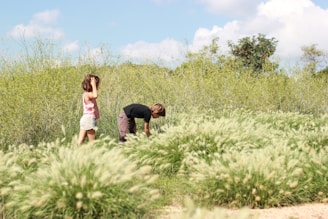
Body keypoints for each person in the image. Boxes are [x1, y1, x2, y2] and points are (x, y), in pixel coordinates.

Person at [77, 74, 100, 144]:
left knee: (80, 141)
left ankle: (73, 153)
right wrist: (93, 85)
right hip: (89, 119)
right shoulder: (88, 94)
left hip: (85, 118)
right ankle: (92, 155)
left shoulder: (85, 94)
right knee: (92, 143)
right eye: (97, 84)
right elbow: (95, 95)